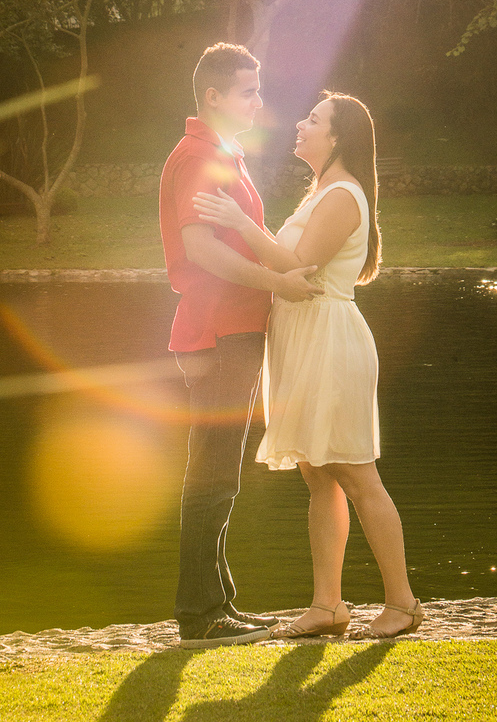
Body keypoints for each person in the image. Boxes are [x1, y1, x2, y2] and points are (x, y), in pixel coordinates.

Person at [194, 91, 423, 640]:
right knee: (320, 476)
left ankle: (404, 603)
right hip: (302, 339)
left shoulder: (344, 194)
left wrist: (239, 222)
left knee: (356, 474)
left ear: (339, 135)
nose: (300, 123)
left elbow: (301, 266)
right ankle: (328, 606)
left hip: (330, 339)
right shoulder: (319, 191)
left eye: (314, 119)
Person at [160, 41, 321, 647]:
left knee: (218, 469)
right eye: (249, 91)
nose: (259, 101)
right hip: (219, 329)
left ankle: (217, 603)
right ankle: (199, 617)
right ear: (213, 96)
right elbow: (202, 250)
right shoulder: (200, 155)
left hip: (233, 329)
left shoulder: (223, 152)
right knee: (213, 471)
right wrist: (275, 280)